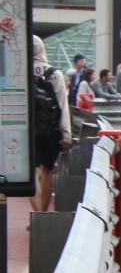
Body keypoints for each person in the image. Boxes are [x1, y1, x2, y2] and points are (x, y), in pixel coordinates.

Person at [31, 35, 71, 212]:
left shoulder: (18, 71)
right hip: (50, 130)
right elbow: (63, 105)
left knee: (33, 173)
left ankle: (36, 214)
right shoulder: (54, 73)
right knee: (48, 171)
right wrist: (66, 134)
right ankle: (43, 215)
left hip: (27, 130)